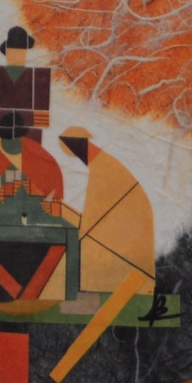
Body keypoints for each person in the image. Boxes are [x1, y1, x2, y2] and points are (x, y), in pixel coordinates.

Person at [57, 126, 155, 296]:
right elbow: (92, 218)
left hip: (123, 241)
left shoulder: (103, 168)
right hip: (120, 232)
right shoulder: (102, 165)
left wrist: (64, 213)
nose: (78, 156)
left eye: (74, 151)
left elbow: (91, 222)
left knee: (81, 247)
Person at [0, 25, 51, 139]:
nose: (17, 55)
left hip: (29, 139)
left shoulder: (39, 78)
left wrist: (18, 119)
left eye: (20, 51)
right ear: (7, 52)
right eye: (13, 51)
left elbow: (42, 118)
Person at [0, 121, 64, 203]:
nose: (11, 142)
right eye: (6, 138)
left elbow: (53, 188)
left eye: (15, 138)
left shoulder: (38, 155)